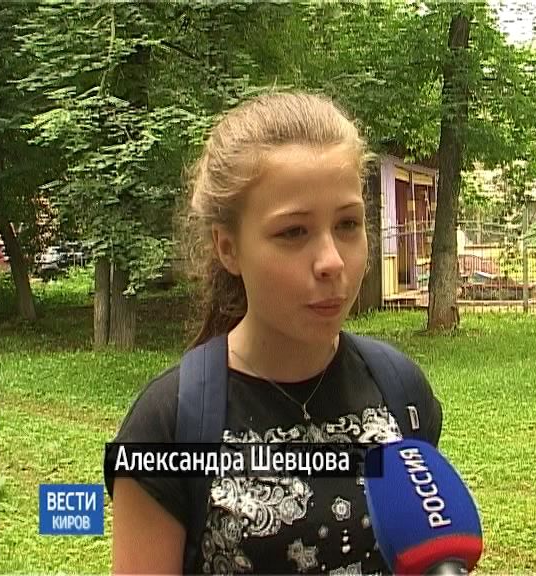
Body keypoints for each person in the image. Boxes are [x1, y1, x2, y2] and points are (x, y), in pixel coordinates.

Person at [105, 91, 443, 575]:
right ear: (228, 248)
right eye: (293, 232)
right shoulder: (167, 428)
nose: (331, 261)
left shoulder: (401, 392)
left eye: (348, 224)